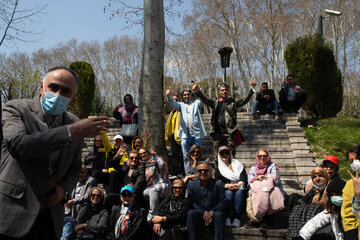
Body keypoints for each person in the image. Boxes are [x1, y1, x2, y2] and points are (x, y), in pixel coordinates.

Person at [0, 66, 109, 239]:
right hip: (12, 212)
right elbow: (19, 145)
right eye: (53, 87)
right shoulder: (16, 109)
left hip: (50, 218)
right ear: (42, 86)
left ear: (72, 98)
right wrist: (69, 131)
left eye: (66, 91)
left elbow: (74, 168)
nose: (58, 94)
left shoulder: (74, 123)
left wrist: (63, 191)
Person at [193, 81, 256, 159]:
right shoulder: (215, 102)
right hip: (217, 133)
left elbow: (244, 100)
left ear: (229, 91)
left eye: (226, 90)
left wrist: (252, 89)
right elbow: (205, 100)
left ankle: (231, 170)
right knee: (217, 155)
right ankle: (218, 170)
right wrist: (198, 91)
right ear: (219, 92)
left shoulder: (233, 102)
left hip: (230, 133)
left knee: (231, 155)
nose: (224, 91)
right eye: (222, 90)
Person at [166, 87, 206, 175]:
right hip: (185, 135)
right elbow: (173, 104)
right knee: (186, 156)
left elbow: (203, 99)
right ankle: (188, 175)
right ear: (182, 96)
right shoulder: (181, 105)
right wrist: (168, 96)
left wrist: (198, 91)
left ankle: (197, 174)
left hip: (196, 135)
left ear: (191, 95)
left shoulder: (196, 103)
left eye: (188, 94)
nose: (186, 96)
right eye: (184, 95)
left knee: (197, 156)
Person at [287, 168, 330, 240]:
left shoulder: (331, 191)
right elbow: (302, 202)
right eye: (314, 177)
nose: (317, 179)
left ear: (326, 177)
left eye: (320, 176)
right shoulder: (313, 192)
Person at [187, 161, 226, 240]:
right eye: (200, 170)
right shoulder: (191, 185)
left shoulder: (217, 183)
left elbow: (223, 201)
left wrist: (212, 211)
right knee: (190, 213)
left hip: (213, 213)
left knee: (218, 215)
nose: (203, 172)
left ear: (210, 172)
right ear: (197, 172)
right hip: (199, 213)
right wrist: (202, 212)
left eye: (205, 170)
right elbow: (191, 202)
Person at [247, 149, 284, 228]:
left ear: (268, 157)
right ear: (257, 157)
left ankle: (267, 220)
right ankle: (255, 219)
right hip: (257, 190)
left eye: (264, 156)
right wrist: (257, 177)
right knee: (254, 194)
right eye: (260, 156)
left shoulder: (273, 166)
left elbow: (275, 179)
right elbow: (249, 180)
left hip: (271, 189)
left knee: (271, 194)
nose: (262, 158)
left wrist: (264, 178)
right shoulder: (253, 168)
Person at [61, 165, 97, 240]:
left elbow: (88, 196)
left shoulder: (90, 180)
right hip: (72, 206)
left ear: (86, 172)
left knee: (78, 206)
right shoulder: (74, 180)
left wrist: (74, 201)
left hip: (83, 206)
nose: (79, 174)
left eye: (82, 172)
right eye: (78, 172)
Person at [215, 146, 247, 227]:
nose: (225, 155)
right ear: (219, 155)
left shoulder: (237, 164)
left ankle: (237, 217)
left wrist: (238, 184)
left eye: (226, 153)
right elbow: (218, 181)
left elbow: (243, 176)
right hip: (227, 188)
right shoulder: (218, 168)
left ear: (230, 154)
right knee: (228, 194)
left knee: (239, 194)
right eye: (222, 153)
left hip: (240, 186)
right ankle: (228, 217)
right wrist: (227, 185)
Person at [138, 148, 170, 218]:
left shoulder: (154, 161)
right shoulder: (140, 164)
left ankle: (153, 213)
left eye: (144, 153)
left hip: (162, 184)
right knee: (144, 192)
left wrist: (156, 157)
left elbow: (163, 166)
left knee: (153, 190)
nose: (142, 155)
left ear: (148, 153)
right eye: (140, 154)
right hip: (150, 186)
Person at [341, 145, 360, 240]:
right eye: (352, 161)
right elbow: (348, 214)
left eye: (357, 159)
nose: (355, 163)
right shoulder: (349, 185)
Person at [165, 94, 184, 177]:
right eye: (173, 100)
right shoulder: (172, 112)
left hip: (180, 135)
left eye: (176, 100)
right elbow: (171, 121)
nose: (174, 101)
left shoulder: (180, 110)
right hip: (173, 135)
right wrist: (165, 117)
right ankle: (174, 172)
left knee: (181, 155)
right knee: (174, 154)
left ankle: (181, 172)